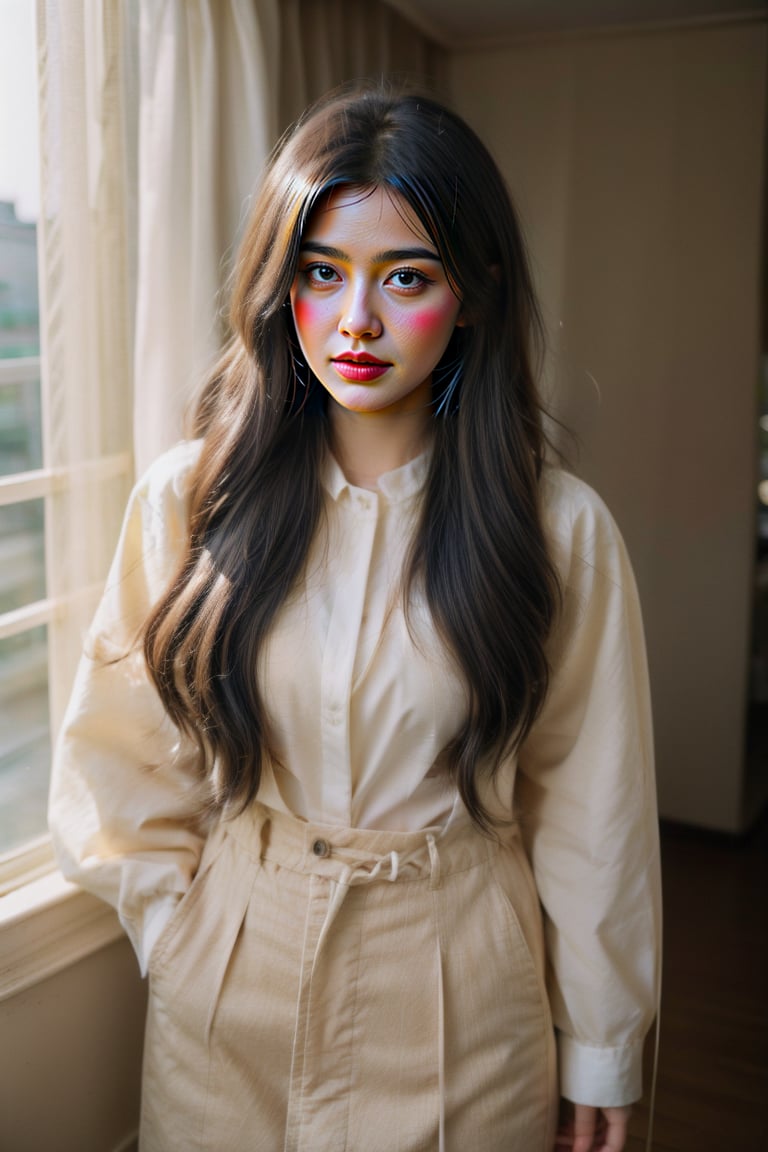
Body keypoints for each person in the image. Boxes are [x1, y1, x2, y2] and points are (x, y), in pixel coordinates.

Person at [49, 82, 661, 1152]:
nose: (356, 321)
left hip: (465, 977)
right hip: (227, 982)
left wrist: (602, 1043)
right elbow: (121, 756)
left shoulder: (558, 531)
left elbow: (592, 811)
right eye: (321, 275)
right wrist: (180, 933)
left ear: (472, 295)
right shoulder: (190, 501)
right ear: (280, 288)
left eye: (406, 278)